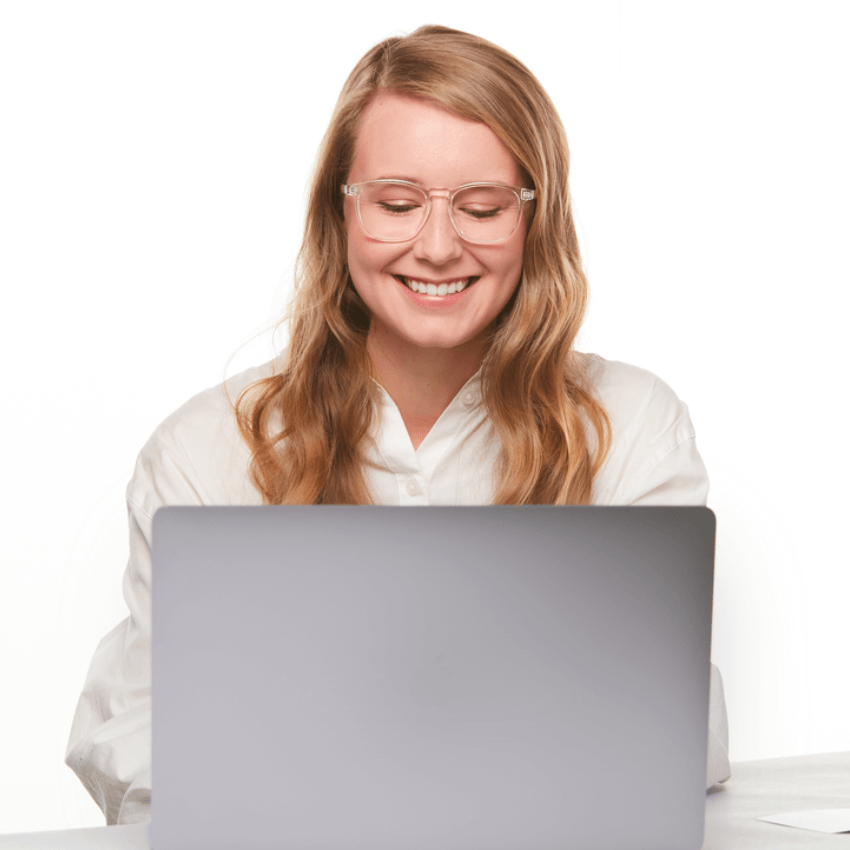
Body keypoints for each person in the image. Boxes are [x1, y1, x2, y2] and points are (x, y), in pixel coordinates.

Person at [65, 24, 730, 825]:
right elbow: (137, 744)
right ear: (340, 213)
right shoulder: (205, 453)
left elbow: (672, 736)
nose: (439, 247)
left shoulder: (631, 427)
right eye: (397, 204)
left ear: (536, 219)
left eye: (481, 208)